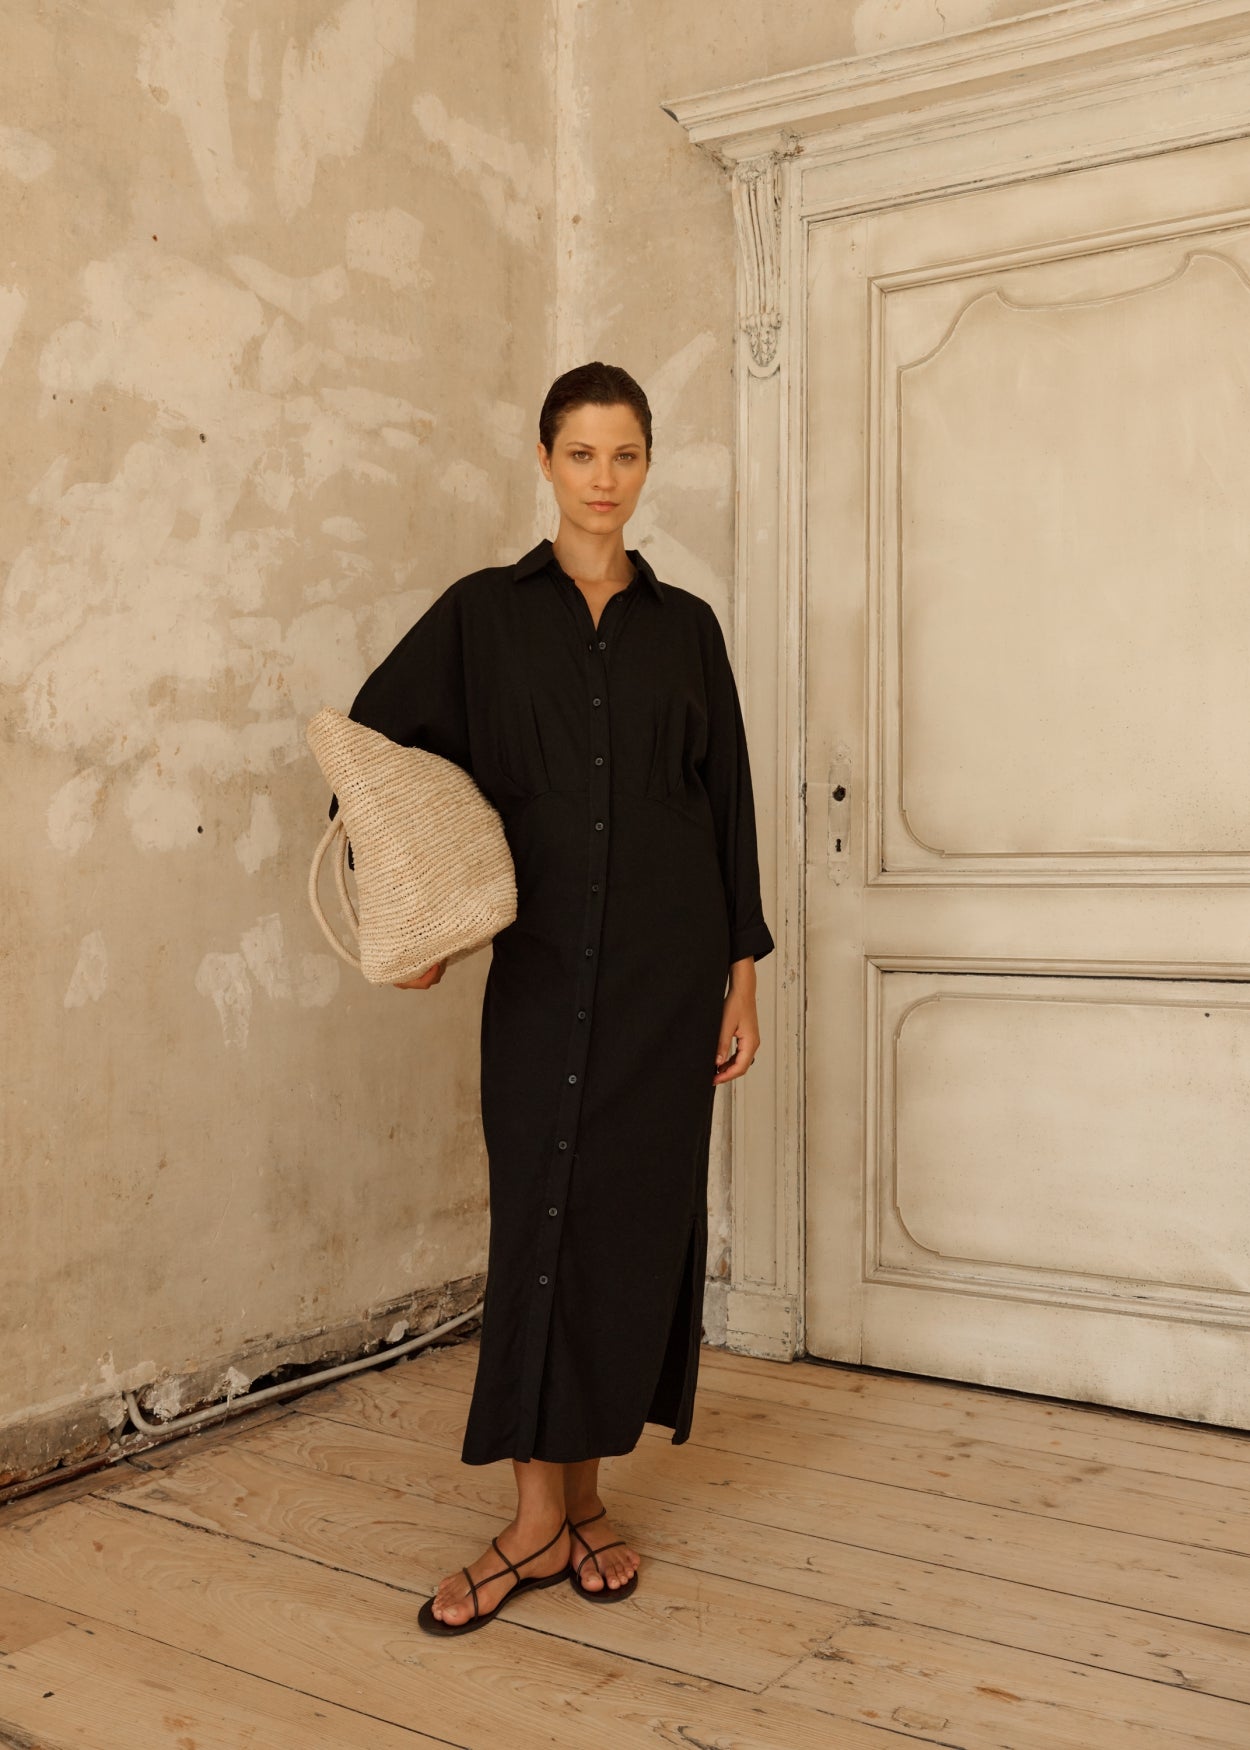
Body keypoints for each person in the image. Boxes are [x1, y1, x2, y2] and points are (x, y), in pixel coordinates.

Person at [342, 361, 775, 1635]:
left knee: (626, 1230)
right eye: (581, 454)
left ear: (646, 466)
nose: (603, 478)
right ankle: (536, 1520)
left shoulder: (687, 628)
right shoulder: (482, 615)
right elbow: (373, 753)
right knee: (543, 1219)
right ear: (543, 461)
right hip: (539, 974)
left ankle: (582, 1505)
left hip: (665, 978)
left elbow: (727, 805)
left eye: (624, 454)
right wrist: (408, 911)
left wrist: (740, 975)